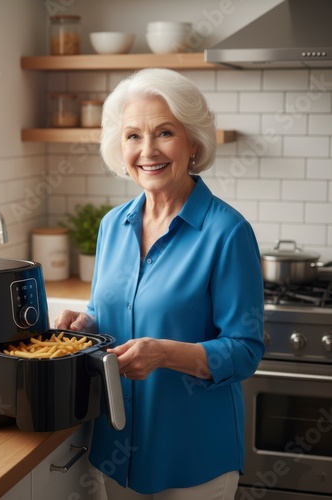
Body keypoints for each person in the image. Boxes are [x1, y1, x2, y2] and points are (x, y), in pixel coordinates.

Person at [54, 68, 265, 500]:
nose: (147, 150)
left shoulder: (227, 233)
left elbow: (245, 351)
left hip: (193, 457)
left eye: (164, 132)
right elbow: (110, 309)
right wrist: (86, 323)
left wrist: (164, 354)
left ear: (193, 143)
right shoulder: (113, 225)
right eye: (133, 135)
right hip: (115, 446)